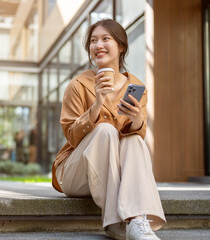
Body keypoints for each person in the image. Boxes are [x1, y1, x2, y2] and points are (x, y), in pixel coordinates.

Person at [51, 19, 166, 240]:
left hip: (114, 172)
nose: (98, 45)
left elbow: (137, 138)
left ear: (121, 46)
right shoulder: (78, 84)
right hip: (77, 173)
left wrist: (137, 119)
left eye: (106, 39)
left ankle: (137, 222)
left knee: (133, 140)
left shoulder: (136, 86)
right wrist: (97, 103)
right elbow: (72, 137)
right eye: (93, 41)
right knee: (104, 130)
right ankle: (116, 221)